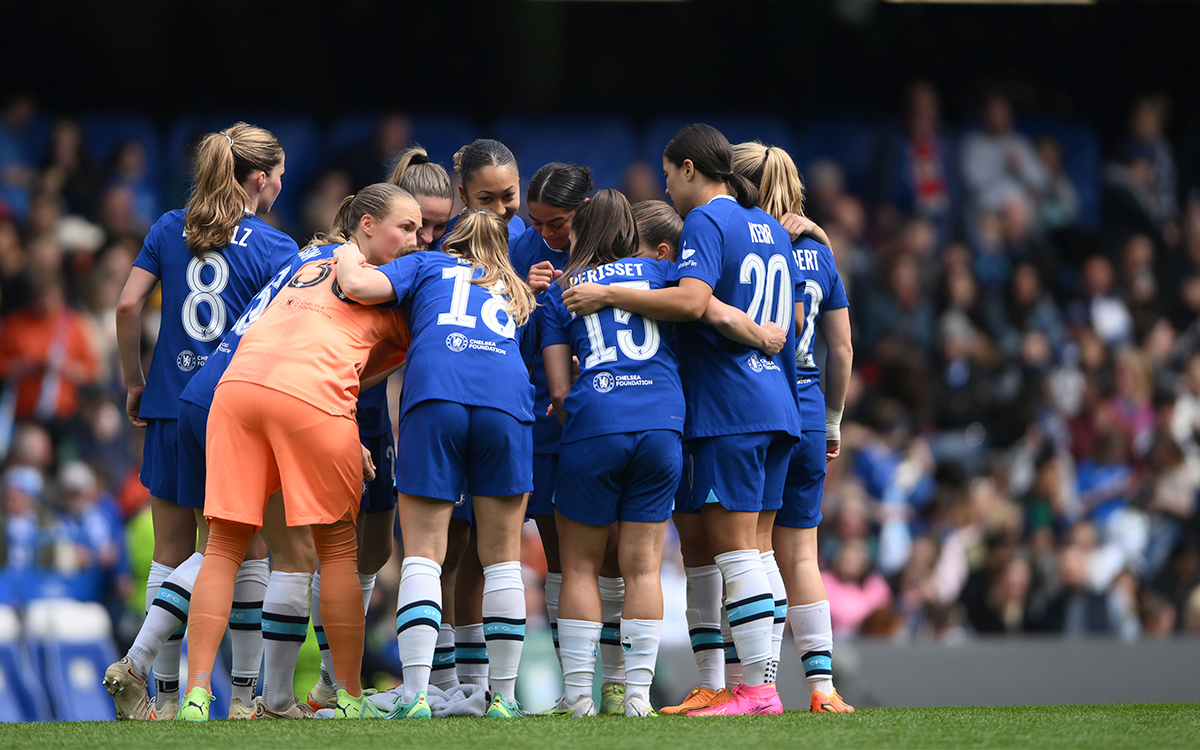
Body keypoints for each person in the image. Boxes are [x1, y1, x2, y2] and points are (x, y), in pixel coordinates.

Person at [561, 123, 802, 716]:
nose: (666, 187)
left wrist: (608, 295)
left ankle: (756, 691)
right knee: (760, 554)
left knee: (736, 554)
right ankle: (748, 684)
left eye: (669, 175)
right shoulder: (771, 226)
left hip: (729, 405)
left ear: (690, 168)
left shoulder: (704, 220)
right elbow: (787, 318)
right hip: (777, 402)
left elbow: (693, 302)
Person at [177, 183, 420, 721]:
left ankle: (195, 695)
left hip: (237, 391)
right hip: (309, 400)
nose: (416, 240)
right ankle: (349, 698)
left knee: (223, 547)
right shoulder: (393, 287)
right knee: (336, 552)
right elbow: (380, 364)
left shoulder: (310, 258)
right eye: (406, 228)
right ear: (366, 225)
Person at [108, 123, 299, 720]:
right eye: (279, 178)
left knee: (169, 554)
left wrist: (135, 381)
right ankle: (241, 696)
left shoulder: (170, 227)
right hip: (233, 411)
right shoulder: (276, 247)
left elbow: (127, 304)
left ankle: (162, 701)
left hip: (169, 402)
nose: (280, 188)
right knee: (247, 548)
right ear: (260, 178)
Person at [334, 208, 536, 720]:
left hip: (436, 394)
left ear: (451, 242)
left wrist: (345, 247)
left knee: (424, 555)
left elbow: (356, 284)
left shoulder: (427, 263)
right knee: (503, 560)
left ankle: (416, 696)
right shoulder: (515, 289)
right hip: (506, 404)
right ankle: (504, 699)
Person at [303, 145, 459, 711]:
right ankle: (321, 679)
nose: (428, 238)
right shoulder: (347, 261)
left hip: (373, 416)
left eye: (440, 226)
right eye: (418, 225)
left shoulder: (428, 267)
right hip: (328, 408)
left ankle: (343, 677)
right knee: (326, 552)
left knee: (373, 551)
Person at [731, 141, 855, 712]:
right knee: (803, 555)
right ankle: (822, 687)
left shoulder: (741, 240)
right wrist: (833, 420)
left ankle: (754, 684)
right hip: (809, 411)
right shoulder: (818, 252)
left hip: (758, 406)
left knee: (752, 551)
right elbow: (842, 348)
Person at [432, 139, 526, 252]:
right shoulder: (445, 245)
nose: (500, 211)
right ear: (464, 195)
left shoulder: (517, 225)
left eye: (508, 196)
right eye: (486, 199)